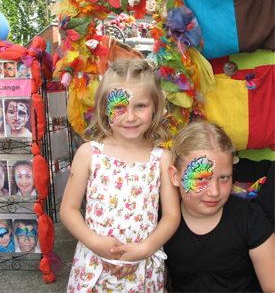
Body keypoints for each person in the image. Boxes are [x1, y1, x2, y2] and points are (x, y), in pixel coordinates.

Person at [60, 58, 180, 292]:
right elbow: (69, 209)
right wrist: (97, 244)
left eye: (140, 106)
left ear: (155, 105)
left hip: (142, 269)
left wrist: (144, 249)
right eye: (119, 107)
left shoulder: (161, 159)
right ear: (105, 108)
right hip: (94, 265)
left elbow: (172, 216)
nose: (130, 117)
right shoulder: (88, 154)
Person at [165, 121, 275, 293]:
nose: (214, 192)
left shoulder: (251, 220)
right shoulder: (158, 224)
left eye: (224, 177)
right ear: (175, 176)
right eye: (201, 178)